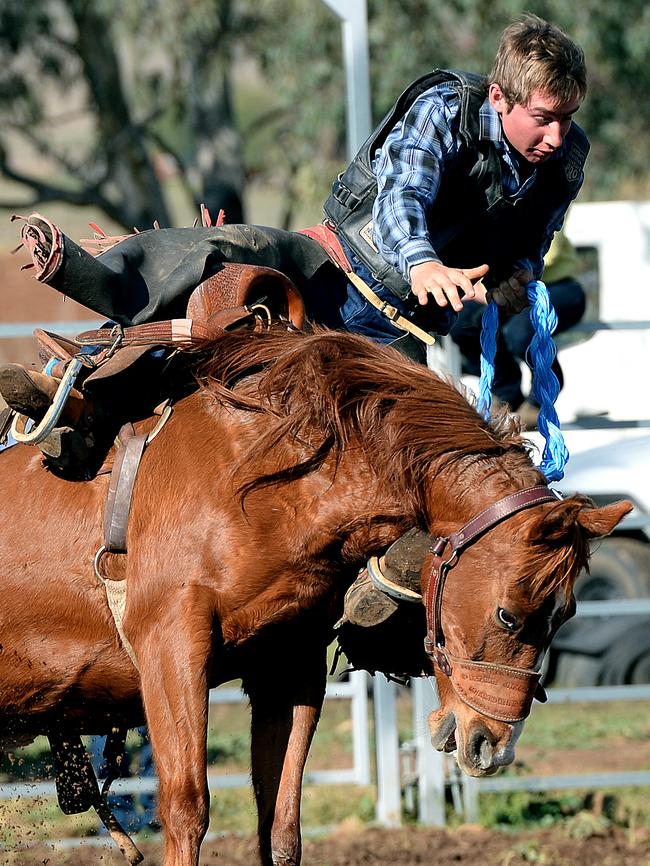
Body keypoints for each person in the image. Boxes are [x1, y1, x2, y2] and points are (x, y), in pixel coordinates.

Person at [449, 229, 587, 429]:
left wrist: (489, 278)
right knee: (462, 323)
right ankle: (507, 391)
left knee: (520, 334)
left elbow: (549, 251)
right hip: (502, 286)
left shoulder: (543, 201)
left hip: (555, 285)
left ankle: (540, 396)